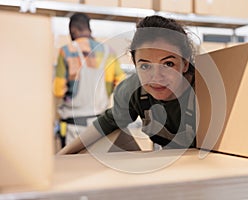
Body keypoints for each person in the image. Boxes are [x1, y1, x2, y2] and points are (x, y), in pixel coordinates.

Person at [57, 15, 196, 154]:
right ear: (135, 64)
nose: (156, 77)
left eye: (168, 64)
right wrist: (62, 155)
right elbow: (107, 123)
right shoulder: (134, 90)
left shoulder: (204, 91)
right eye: (145, 66)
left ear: (185, 64)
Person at [53, 13, 126, 146]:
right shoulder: (108, 51)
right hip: (99, 127)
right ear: (89, 29)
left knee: (75, 165)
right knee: (94, 166)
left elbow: (58, 90)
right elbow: (122, 84)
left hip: (74, 128)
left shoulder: (66, 51)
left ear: (73, 31)